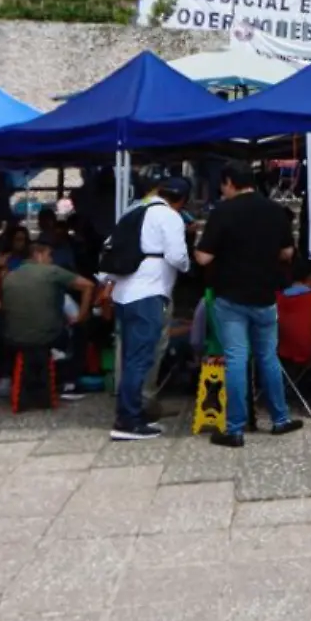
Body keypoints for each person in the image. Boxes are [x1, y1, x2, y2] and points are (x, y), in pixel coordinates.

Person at [194, 162, 299, 448]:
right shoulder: (275, 211)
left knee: (237, 359)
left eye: (222, 185)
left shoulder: (222, 212)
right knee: (268, 356)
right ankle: (280, 420)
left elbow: (203, 258)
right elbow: (287, 252)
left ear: (229, 182)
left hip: (230, 297)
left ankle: (235, 429)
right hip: (265, 297)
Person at [105, 176, 192, 441]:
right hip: (149, 294)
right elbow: (177, 256)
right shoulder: (170, 217)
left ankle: (130, 413)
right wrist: (188, 265)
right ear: (181, 201)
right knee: (140, 359)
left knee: (130, 357)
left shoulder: (133, 212)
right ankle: (128, 421)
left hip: (124, 294)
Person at [0, 239, 94, 396]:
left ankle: (8, 377)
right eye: (49, 255)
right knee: (80, 331)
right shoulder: (52, 272)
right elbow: (88, 285)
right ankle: (69, 382)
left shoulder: (9, 276)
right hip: (48, 337)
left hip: (12, 338)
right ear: (38, 255)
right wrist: (81, 316)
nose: (52, 260)